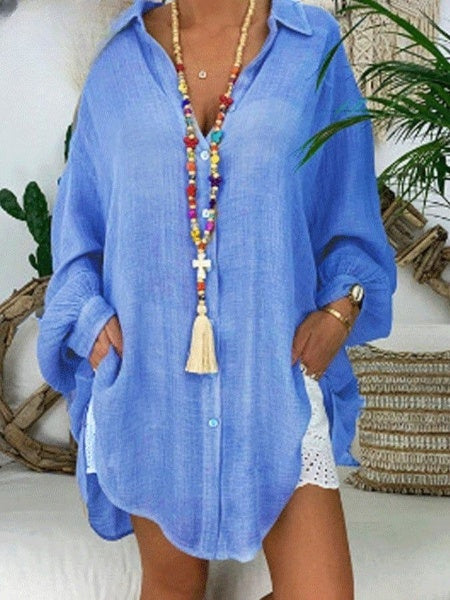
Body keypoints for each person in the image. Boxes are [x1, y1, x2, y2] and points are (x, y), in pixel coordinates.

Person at [36, 0, 397, 598]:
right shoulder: (119, 61)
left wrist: (341, 312)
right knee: (173, 588)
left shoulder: (313, 46)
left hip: (274, 379)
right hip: (151, 385)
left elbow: (349, 206)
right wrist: (90, 323)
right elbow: (79, 226)